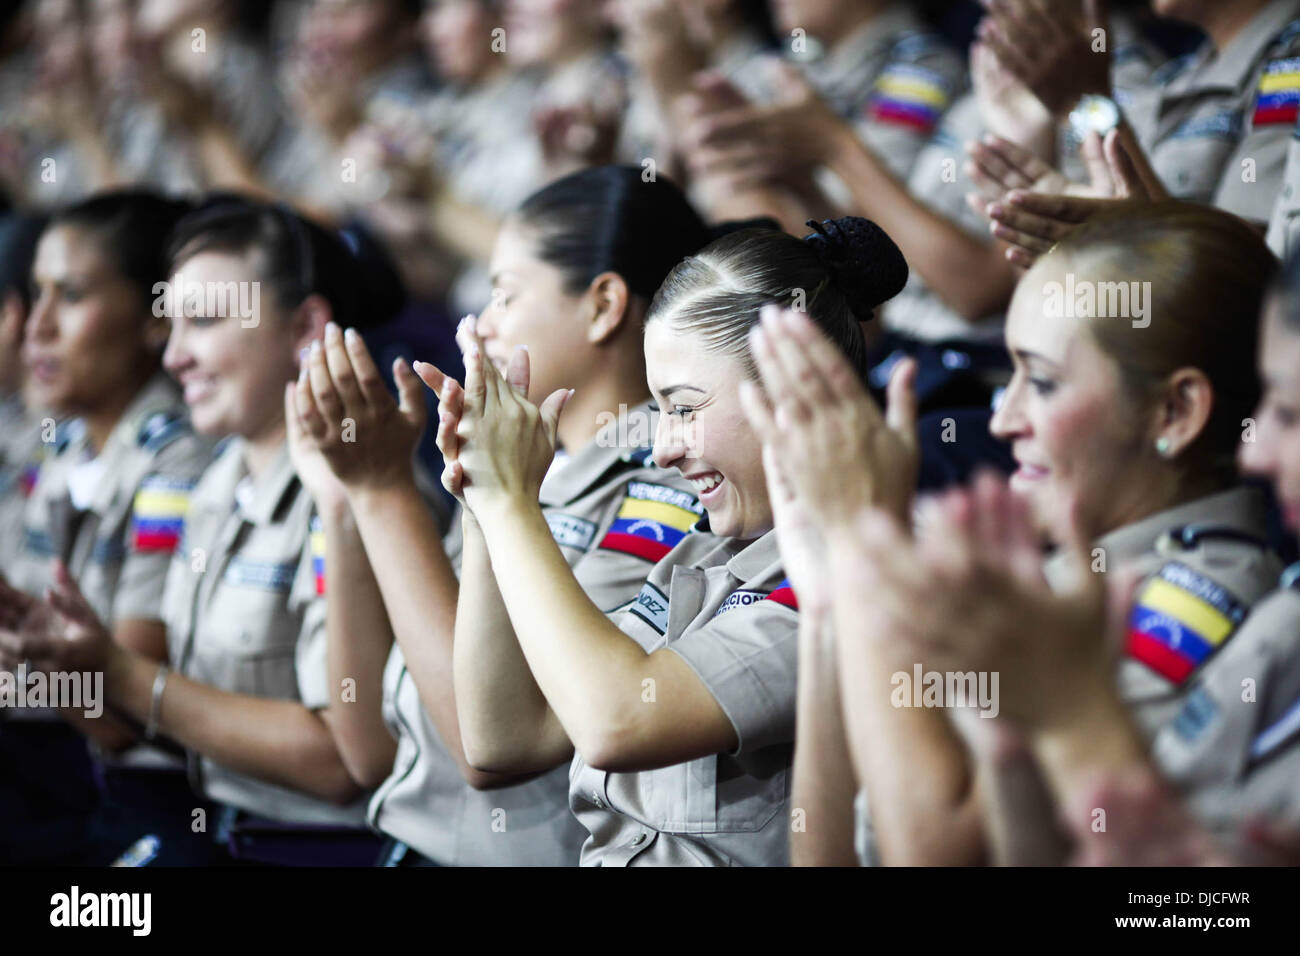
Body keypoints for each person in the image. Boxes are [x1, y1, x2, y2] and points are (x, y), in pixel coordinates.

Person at [743, 202, 1283, 865]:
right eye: (1013, 374)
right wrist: (827, 604)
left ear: (1174, 412)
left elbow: (936, 855)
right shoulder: (1058, 564)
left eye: (1046, 383)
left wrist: (863, 537)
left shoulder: (1188, 602)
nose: (1004, 422)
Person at [433, 215, 908, 866]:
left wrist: (516, 502)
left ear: (797, 392)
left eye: (684, 408)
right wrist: (484, 498)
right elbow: (504, 738)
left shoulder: (844, 575)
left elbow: (616, 721)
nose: (661, 449)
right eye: (659, 411)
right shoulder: (700, 556)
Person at [285, 166, 712, 865]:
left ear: (603, 304)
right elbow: (366, 750)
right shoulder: (525, 471)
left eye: (505, 296)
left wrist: (385, 491)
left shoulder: (670, 490)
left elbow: (486, 747)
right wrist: (345, 498)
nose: (479, 327)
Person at [1, 198, 402, 865]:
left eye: (207, 321)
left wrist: (115, 674)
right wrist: (64, 661)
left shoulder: (359, 491)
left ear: (306, 326)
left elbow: (343, 763)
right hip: (214, 833)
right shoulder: (220, 481)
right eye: (174, 324)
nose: (176, 353)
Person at [0, 189, 213, 866]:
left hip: (153, 797)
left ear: (156, 320)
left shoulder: (177, 456)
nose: (38, 327)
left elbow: (121, 715)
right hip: (47, 761)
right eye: (37, 295)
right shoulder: (65, 444)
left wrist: (24, 665)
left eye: (72, 296)